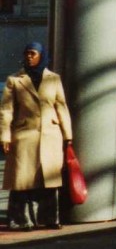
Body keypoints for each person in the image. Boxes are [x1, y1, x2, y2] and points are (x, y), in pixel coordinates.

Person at [1, 43, 73, 230]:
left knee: (49, 178)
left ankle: (50, 219)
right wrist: (5, 136)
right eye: (26, 54)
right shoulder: (15, 80)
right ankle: (21, 220)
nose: (29, 57)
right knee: (23, 179)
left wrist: (68, 136)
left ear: (41, 55)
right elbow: (6, 110)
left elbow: (61, 106)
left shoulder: (54, 79)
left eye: (32, 53)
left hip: (51, 135)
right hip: (24, 136)